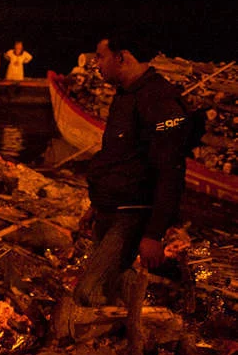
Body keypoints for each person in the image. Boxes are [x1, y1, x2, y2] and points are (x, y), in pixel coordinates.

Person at [74, 37, 190, 307]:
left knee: (88, 293)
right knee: (111, 284)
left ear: (122, 58)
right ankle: (126, 331)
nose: (96, 64)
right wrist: (95, 205)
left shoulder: (159, 100)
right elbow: (116, 156)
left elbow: (171, 171)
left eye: (100, 57)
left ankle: (121, 328)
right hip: (110, 208)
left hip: (131, 215)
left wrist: (154, 234)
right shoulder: (125, 96)